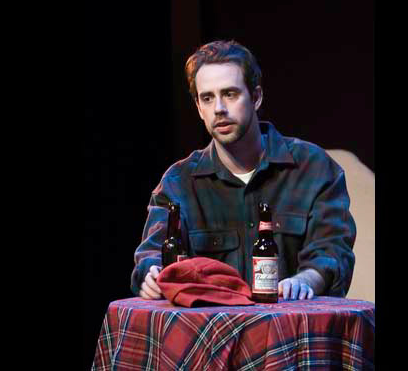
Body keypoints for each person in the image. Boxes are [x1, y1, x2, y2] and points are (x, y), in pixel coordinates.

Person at [131, 40, 356, 300]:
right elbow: (151, 253)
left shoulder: (313, 168)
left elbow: (333, 250)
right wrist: (151, 274)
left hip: (290, 320)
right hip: (210, 324)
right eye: (207, 98)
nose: (219, 109)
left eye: (230, 94)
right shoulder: (177, 183)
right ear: (199, 108)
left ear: (256, 97)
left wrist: (305, 281)